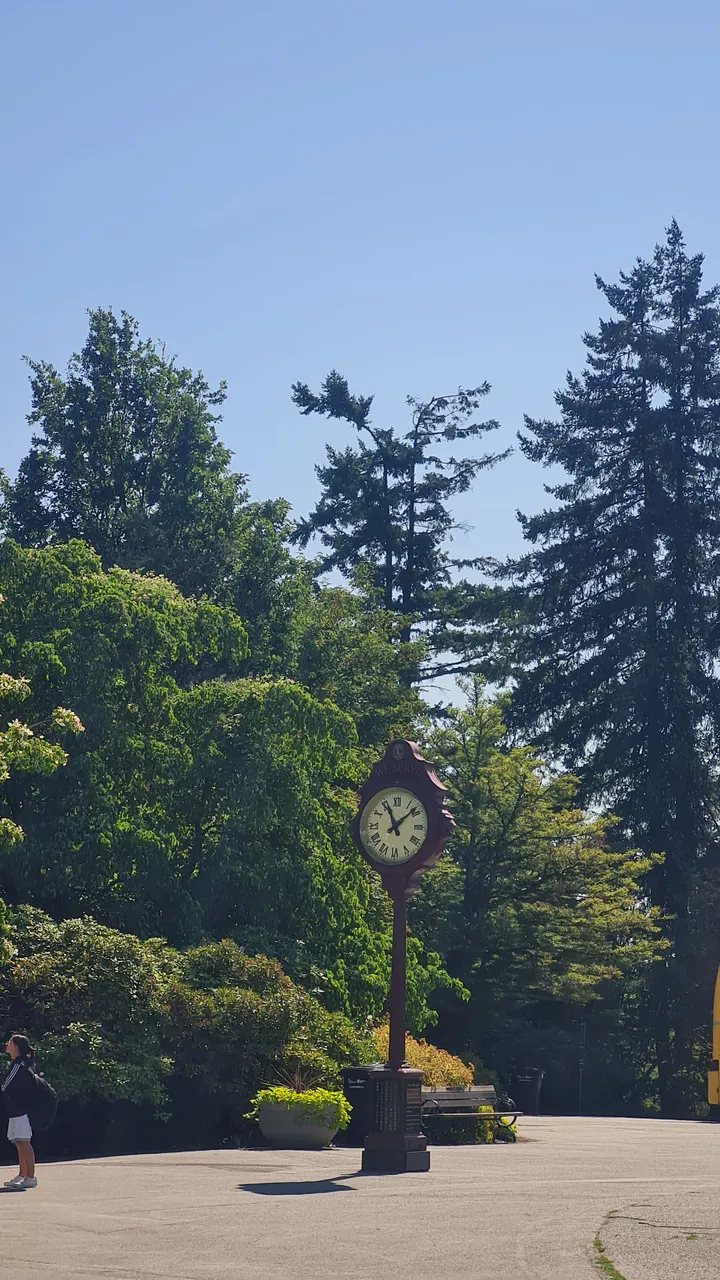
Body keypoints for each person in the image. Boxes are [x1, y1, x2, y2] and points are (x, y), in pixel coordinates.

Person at [2, 1035, 38, 1190]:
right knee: (18, 1141)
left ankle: (30, 1177)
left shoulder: (18, 1064)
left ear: (16, 1046)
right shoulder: (19, 1063)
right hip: (16, 1109)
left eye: (10, 1042)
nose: (7, 1044)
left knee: (23, 1142)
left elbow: (5, 1085)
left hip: (20, 1109)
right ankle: (22, 1175)